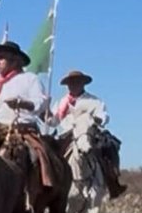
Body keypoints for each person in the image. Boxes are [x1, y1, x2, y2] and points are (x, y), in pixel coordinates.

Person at [0, 41, 60, 188]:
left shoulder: (30, 79)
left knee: (22, 155)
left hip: (20, 130)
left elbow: (41, 102)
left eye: (1, 57)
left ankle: (28, 190)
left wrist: (22, 103)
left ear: (15, 61)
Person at [54, 69, 127, 198]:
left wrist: (99, 119)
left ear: (83, 84)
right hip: (66, 136)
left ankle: (112, 182)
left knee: (108, 148)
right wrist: (46, 116)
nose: (74, 85)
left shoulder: (93, 101)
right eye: (71, 83)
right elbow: (53, 121)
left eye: (77, 82)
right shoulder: (61, 102)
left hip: (87, 134)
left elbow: (103, 114)